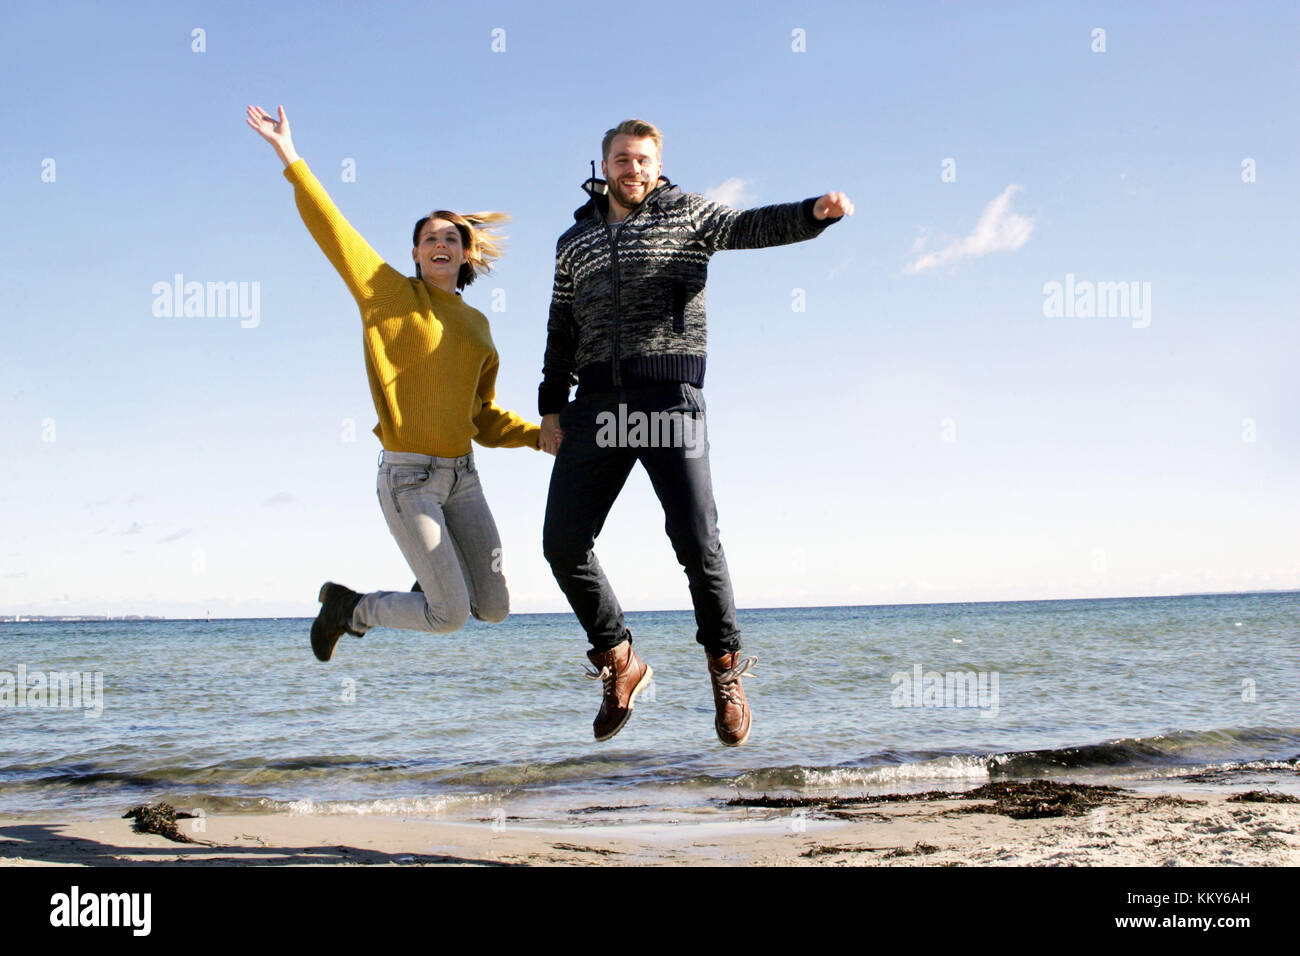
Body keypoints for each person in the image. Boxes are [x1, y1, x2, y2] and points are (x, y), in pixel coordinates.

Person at [539, 119, 853, 746]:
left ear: (658, 165)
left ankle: (726, 671)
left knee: (696, 542)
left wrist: (813, 214)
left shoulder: (687, 214)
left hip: (668, 398)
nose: (634, 170)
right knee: (562, 543)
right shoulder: (573, 241)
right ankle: (619, 659)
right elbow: (560, 326)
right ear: (603, 166)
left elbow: (749, 226)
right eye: (623, 160)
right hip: (597, 401)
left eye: (644, 160)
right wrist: (552, 406)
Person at [245, 104, 547, 663]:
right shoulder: (386, 294)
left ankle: (433, 576)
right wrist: (290, 155)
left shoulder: (478, 325)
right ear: (414, 253)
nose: (441, 245)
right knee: (449, 615)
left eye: (452, 239)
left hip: (465, 480)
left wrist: (537, 437)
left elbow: (481, 417)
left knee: (496, 607)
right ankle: (351, 607)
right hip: (409, 479)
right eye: (430, 238)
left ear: (465, 253)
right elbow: (332, 227)